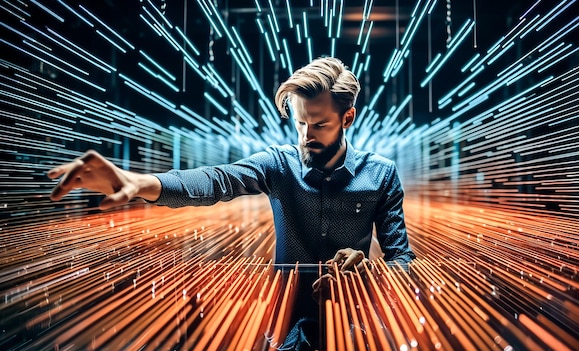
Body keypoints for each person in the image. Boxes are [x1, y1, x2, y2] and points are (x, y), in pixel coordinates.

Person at [47, 56, 416, 349]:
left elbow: (402, 260)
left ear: (347, 117)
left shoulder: (381, 174)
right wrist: (141, 182)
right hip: (284, 328)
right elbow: (217, 179)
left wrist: (370, 272)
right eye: (299, 123)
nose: (306, 136)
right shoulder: (277, 164)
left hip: (356, 327)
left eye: (318, 125)